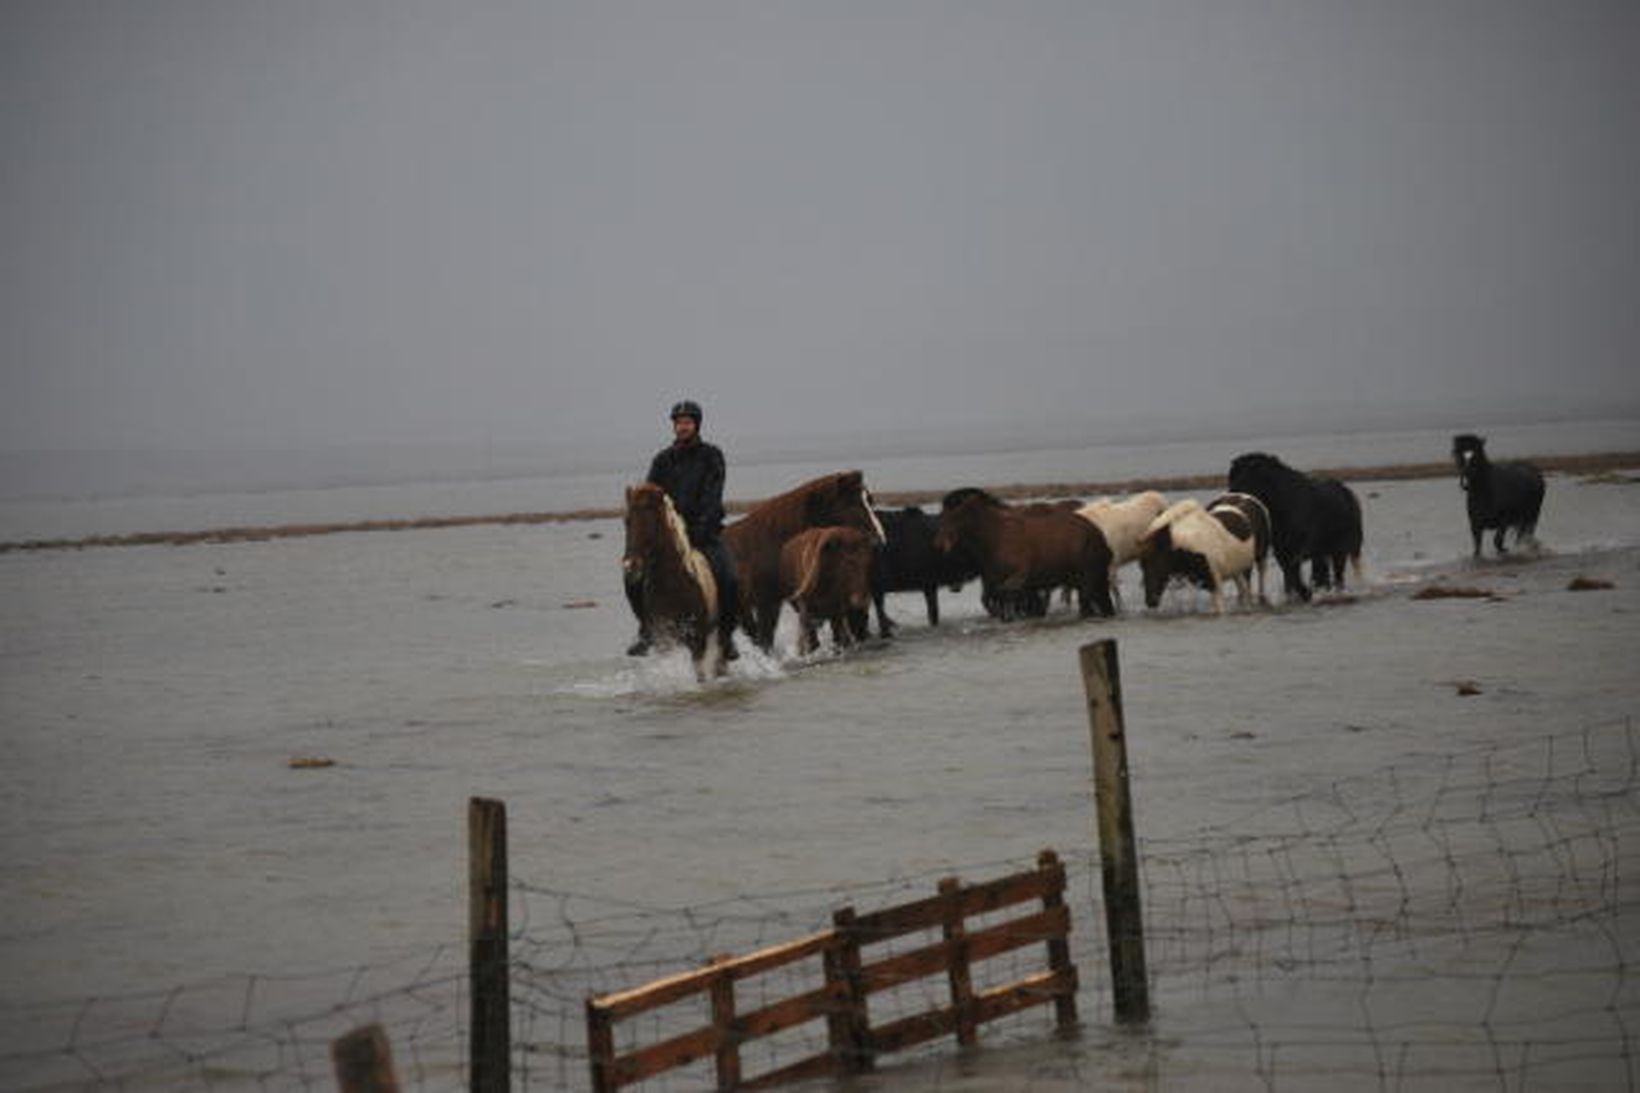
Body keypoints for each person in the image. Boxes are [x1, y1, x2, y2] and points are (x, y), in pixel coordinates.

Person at [626, 399, 740, 660]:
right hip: (669, 536)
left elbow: (714, 495)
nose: (682, 427)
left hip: (704, 533)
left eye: (687, 422)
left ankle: (726, 635)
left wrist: (702, 527)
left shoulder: (712, 455)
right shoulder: (662, 460)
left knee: (730, 578)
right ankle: (645, 629)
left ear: (696, 425)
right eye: (678, 423)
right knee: (631, 575)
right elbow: (650, 496)